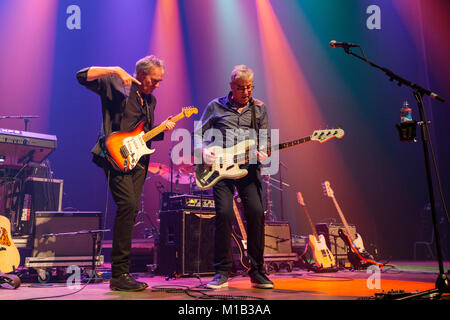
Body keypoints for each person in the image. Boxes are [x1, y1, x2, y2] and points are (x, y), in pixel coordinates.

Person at [76, 55, 175, 291]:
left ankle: (122, 274)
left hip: (138, 162)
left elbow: (144, 134)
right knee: (128, 205)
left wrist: (163, 128)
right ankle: (119, 274)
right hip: (115, 156)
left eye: (160, 81)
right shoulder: (117, 85)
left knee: (129, 213)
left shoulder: (149, 101)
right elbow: (80, 75)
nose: (157, 85)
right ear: (141, 75)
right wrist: (114, 70)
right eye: (154, 80)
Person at [194, 65, 273, 289]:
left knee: (257, 213)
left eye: (249, 87)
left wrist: (264, 150)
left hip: (247, 169)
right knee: (224, 214)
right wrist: (203, 150)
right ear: (231, 86)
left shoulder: (259, 109)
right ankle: (221, 271)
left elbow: (265, 138)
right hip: (220, 170)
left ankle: (257, 271)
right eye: (241, 88)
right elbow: (198, 133)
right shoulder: (215, 106)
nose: (246, 92)